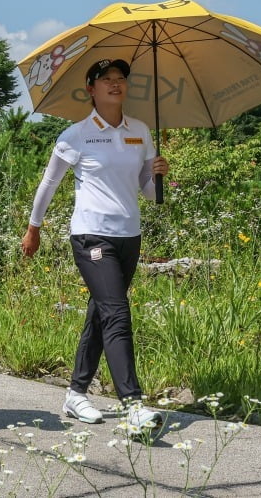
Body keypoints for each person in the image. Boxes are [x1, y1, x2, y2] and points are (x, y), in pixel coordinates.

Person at [20, 59, 170, 432]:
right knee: (117, 313)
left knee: (101, 313)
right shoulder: (76, 135)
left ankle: (75, 393)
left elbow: (150, 195)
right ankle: (134, 405)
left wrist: (159, 176)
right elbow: (48, 184)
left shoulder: (140, 130)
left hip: (129, 236)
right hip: (91, 235)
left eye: (121, 79)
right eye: (106, 80)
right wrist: (33, 228)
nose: (115, 85)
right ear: (91, 89)